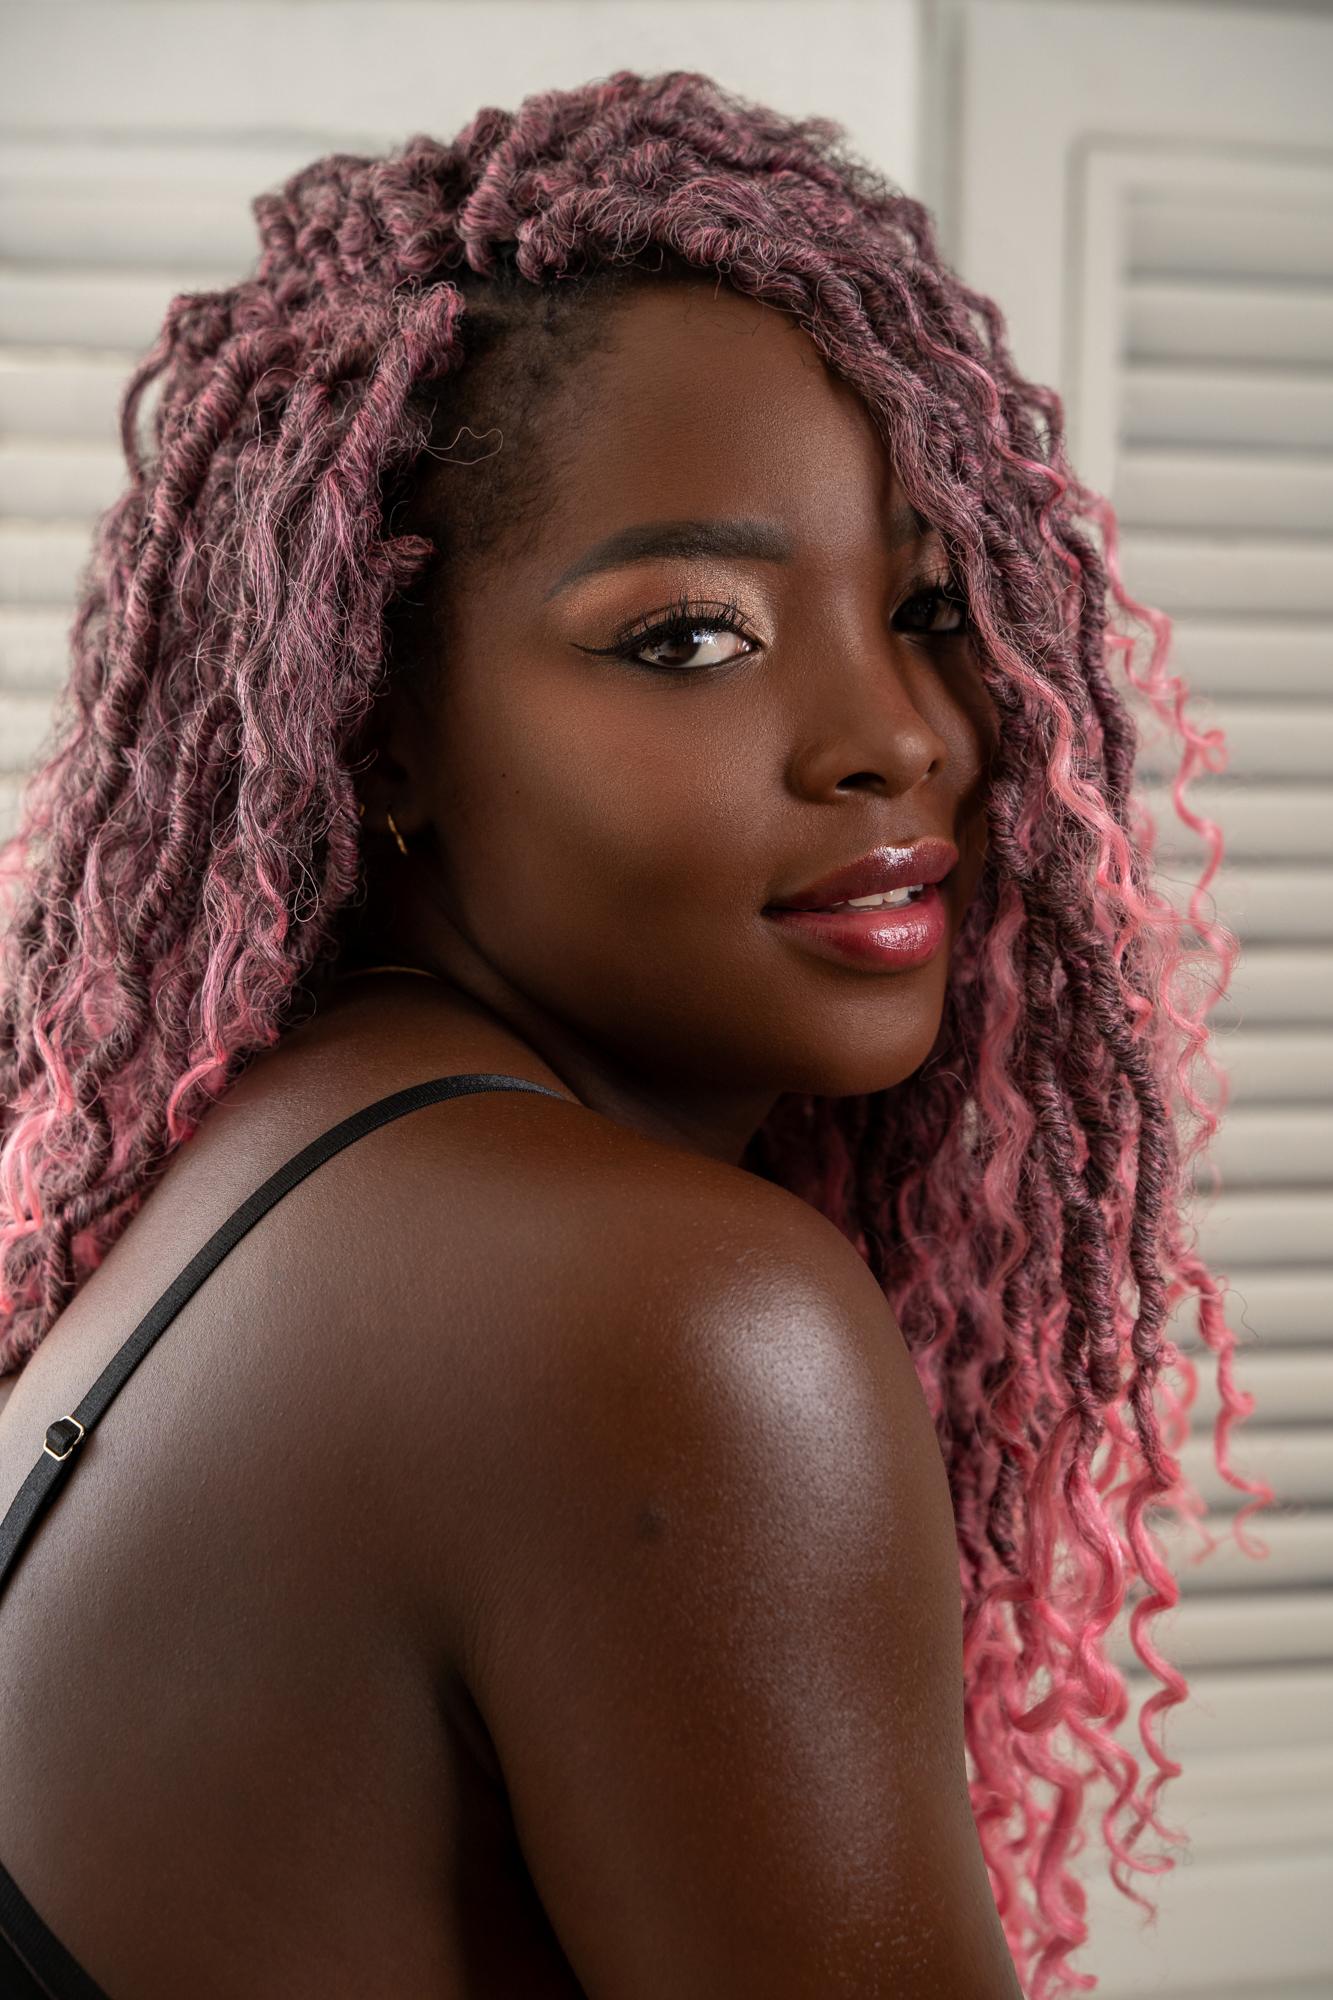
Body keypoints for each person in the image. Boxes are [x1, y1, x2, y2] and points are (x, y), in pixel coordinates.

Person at [0, 68, 1262, 2000]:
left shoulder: (292, 1156)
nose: (895, 735)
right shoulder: (666, 1322)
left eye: (932, 605)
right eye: (691, 636)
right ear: (379, 726)